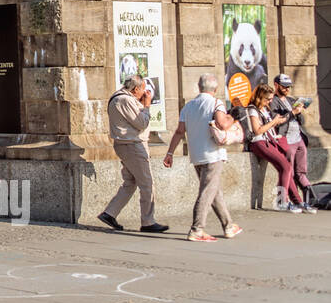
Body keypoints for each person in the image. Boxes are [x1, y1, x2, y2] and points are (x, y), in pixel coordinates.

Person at [164, 74, 242, 241]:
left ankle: (228, 225)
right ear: (216, 88)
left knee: (214, 191)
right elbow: (222, 124)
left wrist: (170, 153)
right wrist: (233, 117)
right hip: (212, 154)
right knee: (207, 191)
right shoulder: (216, 103)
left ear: (199, 87)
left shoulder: (188, 106)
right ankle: (197, 229)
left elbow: (179, 131)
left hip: (196, 154)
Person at [97, 75, 169, 233]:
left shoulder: (118, 97)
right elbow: (141, 123)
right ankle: (148, 221)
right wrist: (147, 106)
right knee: (146, 183)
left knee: (130, 182)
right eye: (143, 88)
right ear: (136, 89)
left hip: (125, 145)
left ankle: (110, 213)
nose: (144, 92)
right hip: (133, 145)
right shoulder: (126, 100)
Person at [240, 83, 304, 212]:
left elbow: (270, 125)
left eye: (270, 98)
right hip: (259, 142)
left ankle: (296, 201)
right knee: (286, 167)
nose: (270, 101)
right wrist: (274, 122)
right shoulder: (253, 109)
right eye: (267, 99)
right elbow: (257, 131)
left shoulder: (264, 109)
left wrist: (278, 122)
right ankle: (282, 202)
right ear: (259, 97)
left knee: (285, 167)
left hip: (270, 141)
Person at [272, 74, 316, 213]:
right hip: (286, 140)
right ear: (276, 85)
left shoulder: (291, 100)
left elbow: (300, 120)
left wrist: (300, 111)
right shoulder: (273, 101)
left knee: (301, 171)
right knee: (287, 171)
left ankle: (308, 200)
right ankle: (284, 201)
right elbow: (276, 121)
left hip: (299, 138)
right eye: (284, 86)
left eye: (288, 87)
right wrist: (292, 112)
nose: (287, 89)